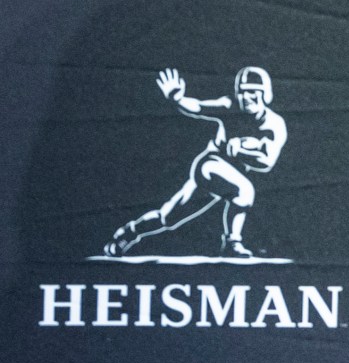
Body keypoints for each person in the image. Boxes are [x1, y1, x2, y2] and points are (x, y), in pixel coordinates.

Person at [103, 66, 286, 259]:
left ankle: (129, 232)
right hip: (210, 165)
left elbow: (267, 162)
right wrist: (178, 99)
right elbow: (199, 107)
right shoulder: (229, 106)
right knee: (244, 191)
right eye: (243, 91)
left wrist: (240, 151)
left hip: (228, 176)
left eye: (253, 92)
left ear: (265, 94)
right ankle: (232, 243)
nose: (247, 97)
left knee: (167, 218)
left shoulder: (274, 124)